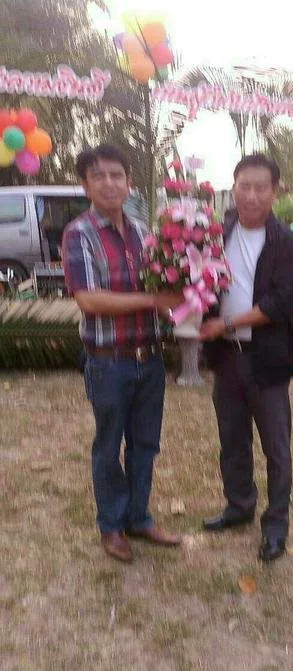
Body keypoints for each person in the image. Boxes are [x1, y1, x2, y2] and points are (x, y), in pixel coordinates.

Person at [62, 143, 181, 563]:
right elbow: (89, 299)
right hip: (108, 362)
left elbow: (162, 290)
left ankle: (139, 517)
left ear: (130, 183)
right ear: (85, 185)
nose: (109, 183)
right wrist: (154, 300)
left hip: (149, 358)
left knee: (145, 444)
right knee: (109, 446)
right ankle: (111, 526)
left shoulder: (144, 232)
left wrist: (184, 305)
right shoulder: (79, 234)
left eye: (117, 175)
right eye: (98, 176)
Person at [200, 154, 293, 562]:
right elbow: (198, 280)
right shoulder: (217, 233)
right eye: (244, 186)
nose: (251, 195)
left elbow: (282, 302)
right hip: (226, 357)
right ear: (233, 187)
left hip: (267, 359)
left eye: (261, 187)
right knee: (232, 439)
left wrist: (226, 323)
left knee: (276, 448)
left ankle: (276, 525)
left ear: (275, 191)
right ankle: (239, 505)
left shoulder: (289, 244)